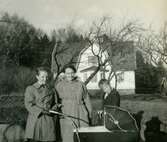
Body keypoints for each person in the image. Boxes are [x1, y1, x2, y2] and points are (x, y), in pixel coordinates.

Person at [55, 65, 92, 142]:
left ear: (75, 73)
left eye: (72, 73)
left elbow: (87, 100)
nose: (70, 75)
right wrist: (59, 110)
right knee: (68, 136)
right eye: (68, 73)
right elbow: (55, 101)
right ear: (64, 74)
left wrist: (89, 114)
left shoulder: (81, 84)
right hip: (66, 112)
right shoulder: (59, 85)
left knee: (83, 134)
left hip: (80, 112)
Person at [24, 67, 58, 142]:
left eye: (46, 77)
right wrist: (41, 111)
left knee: (49, 139)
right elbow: (28, 104)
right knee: (36, 139)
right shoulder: (31, 89)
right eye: (42, 77)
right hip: (36, 119)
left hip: (48, 119)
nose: (45, 79)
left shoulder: (51, 89)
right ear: (37, 77)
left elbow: (55, 103)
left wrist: (54, 108)